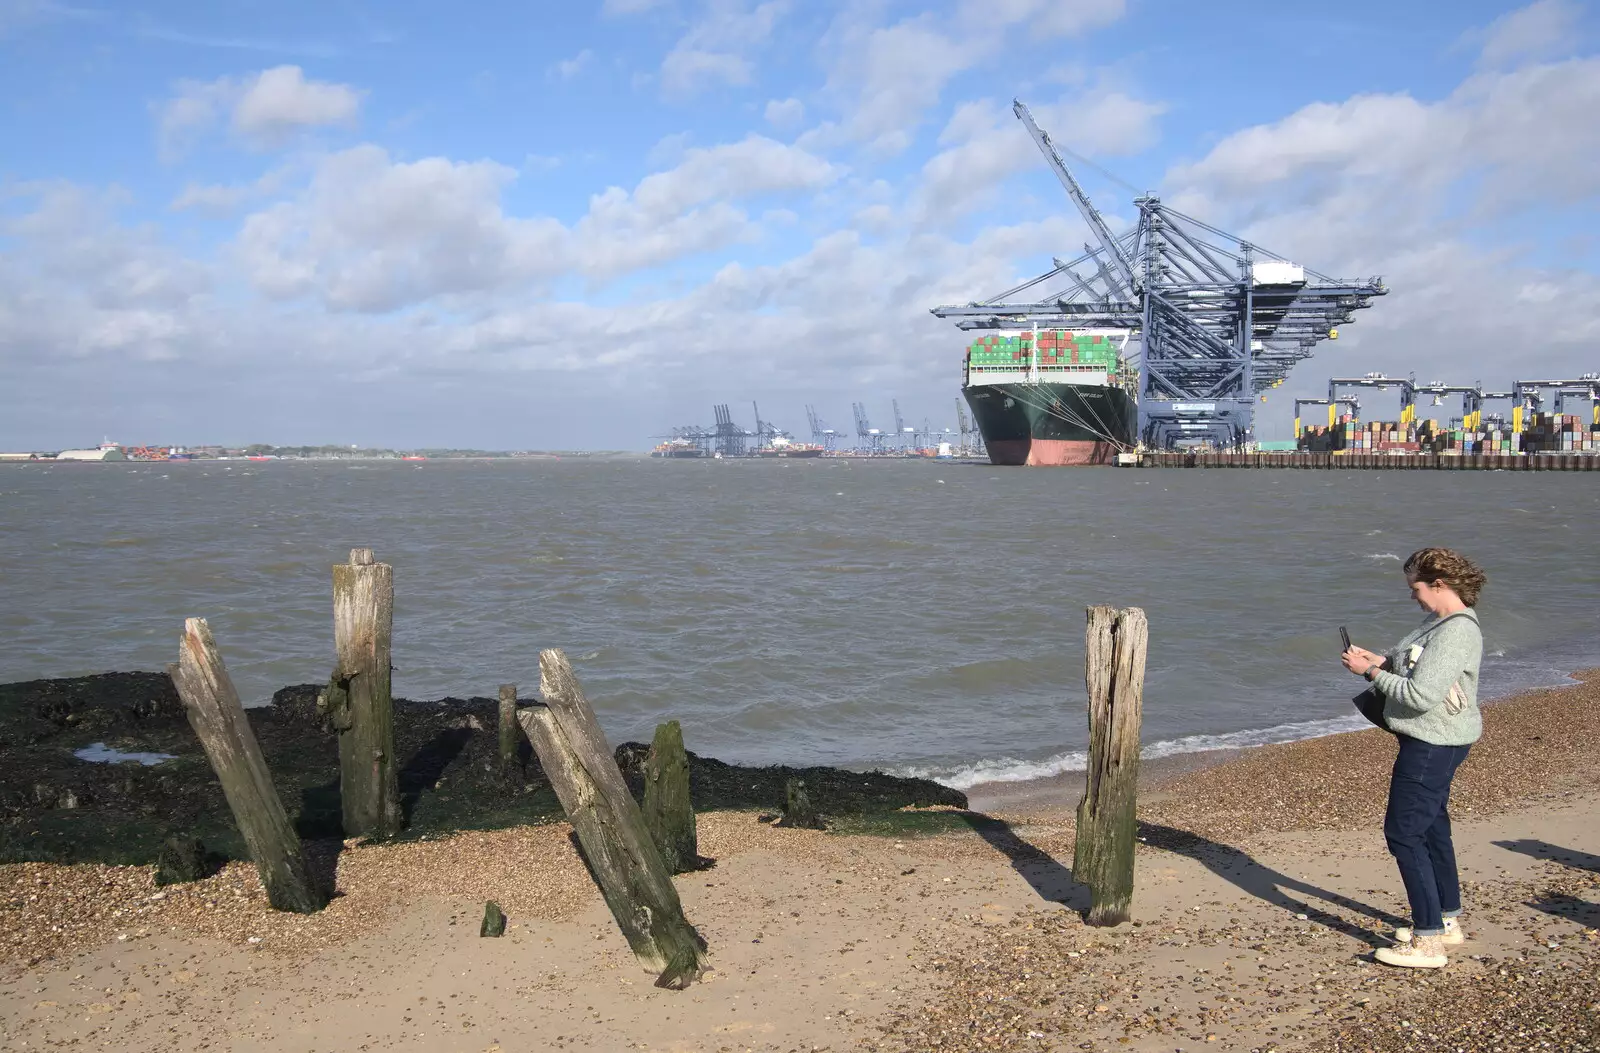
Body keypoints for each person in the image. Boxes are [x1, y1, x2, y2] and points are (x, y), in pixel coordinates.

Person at [1341, 547, 1486, 970]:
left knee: (1404, 834)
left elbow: (1421, 695)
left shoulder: (1456, 631)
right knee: (1433, 826)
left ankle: (1427, 942)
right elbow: (1420, 671)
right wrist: (1380, 661)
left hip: (1433, 743)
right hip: (1438, 740)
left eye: (1415, 588)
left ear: (1440, 585)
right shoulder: (1440, 624)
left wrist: (1370, 674)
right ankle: (1445, 921)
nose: (1413, 597)